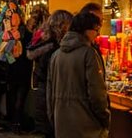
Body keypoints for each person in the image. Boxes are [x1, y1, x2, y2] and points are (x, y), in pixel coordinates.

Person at [47, 11, 109, 138]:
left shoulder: (56, 55)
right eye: (96, 30)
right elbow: (97, 94)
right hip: (87, 126)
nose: (98, 34)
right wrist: (105, 118)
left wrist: (53, 117)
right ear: (86, 30)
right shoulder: (89, 54)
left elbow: (49, 92)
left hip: (62, 123)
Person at [26, 10, 73, 138]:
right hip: (50, 97)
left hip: (45, 96)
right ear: (63, 26)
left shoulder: (45, 43)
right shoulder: (54, 48)